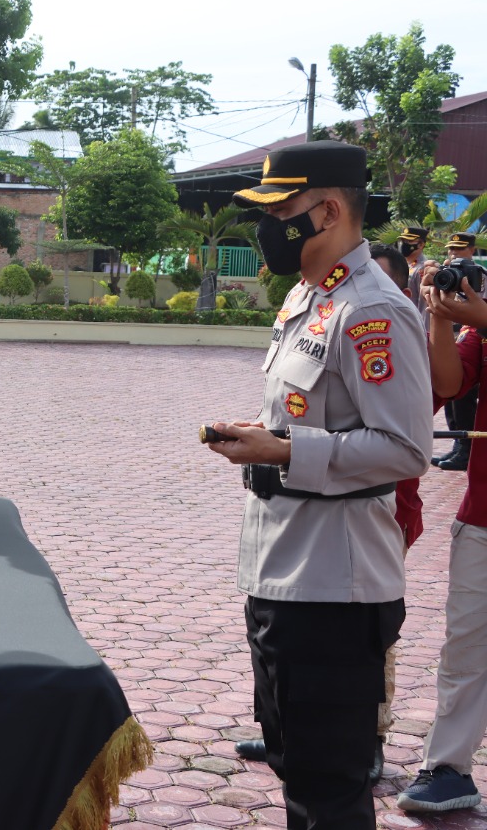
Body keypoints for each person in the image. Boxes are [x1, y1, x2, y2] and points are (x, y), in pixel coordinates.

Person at [206, 140, 432, 829]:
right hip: (286, 569)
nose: (267, 227)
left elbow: (404, 446)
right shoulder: (310, 294)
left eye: (281, 211)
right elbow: (319, 419)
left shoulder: (373, 310)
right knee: (297, 769)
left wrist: (282, 447)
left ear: (328, 209)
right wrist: (268, 434)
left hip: (334, 586)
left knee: (328, 789)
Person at [397, 249, 487, 813]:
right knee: (465, 647)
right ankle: (448, 767)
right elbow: (450, 385)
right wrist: (439, 316)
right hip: (482, 513)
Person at [431, 232, 481, 471]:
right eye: (451, 250)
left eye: (459, 249)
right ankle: (462, 444)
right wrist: (439, 312)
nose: (454, 254)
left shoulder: (479, 277)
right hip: (466, 333)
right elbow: (449, 386)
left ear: (472, 250)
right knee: (458, 400)